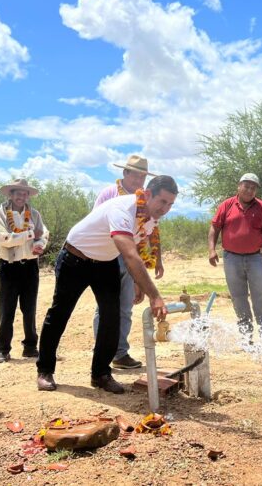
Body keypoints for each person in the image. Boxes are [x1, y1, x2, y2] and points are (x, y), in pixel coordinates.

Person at [35, 175, 177, 394]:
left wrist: (138, 284)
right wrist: (154, 295)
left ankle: (100, 374)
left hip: (104, 263)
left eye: (170, 204)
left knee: (112, 317)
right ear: (147, 195)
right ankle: (45, 370)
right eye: (163, 202)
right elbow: (129, 254)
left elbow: (138, 248)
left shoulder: (149, 218)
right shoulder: (123, 209)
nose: (165, 208)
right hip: (75, 258)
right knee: (60, 313)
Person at [92, 155, 162, 370]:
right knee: (106, 306)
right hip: (108, 254)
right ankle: (103, 352)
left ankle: (120, 353)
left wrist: (157, 258)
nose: (140, 180)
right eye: (136, 175)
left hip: (133, 255)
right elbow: (96, 222)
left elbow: (152, 229)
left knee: (126, 305)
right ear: (125, 173)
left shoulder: (145, 197)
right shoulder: (109, 194)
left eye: (143, 176)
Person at [208, 173, 262, 347]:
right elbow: (214, 227)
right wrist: (211, 250)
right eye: (246, 186)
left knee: (260, 297)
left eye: (253, 187)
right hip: (231, 258)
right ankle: (246, 338)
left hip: (255, 258)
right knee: (238, 297)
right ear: (239, 186)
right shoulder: (226, 205)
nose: (249, 189)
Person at [0, 179, 49, 363]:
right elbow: (4, 239)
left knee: (29, 308)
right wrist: (31, 235)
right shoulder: (0, 214)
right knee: (6, 309)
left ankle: (30, 347)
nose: (21, 197)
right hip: (9, 266)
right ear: (11, 194)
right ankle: (3, 349)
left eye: (25, 194)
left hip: (30, 266)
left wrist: (39, 244)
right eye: (18, 193)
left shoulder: (34, 214)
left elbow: (44, 234)